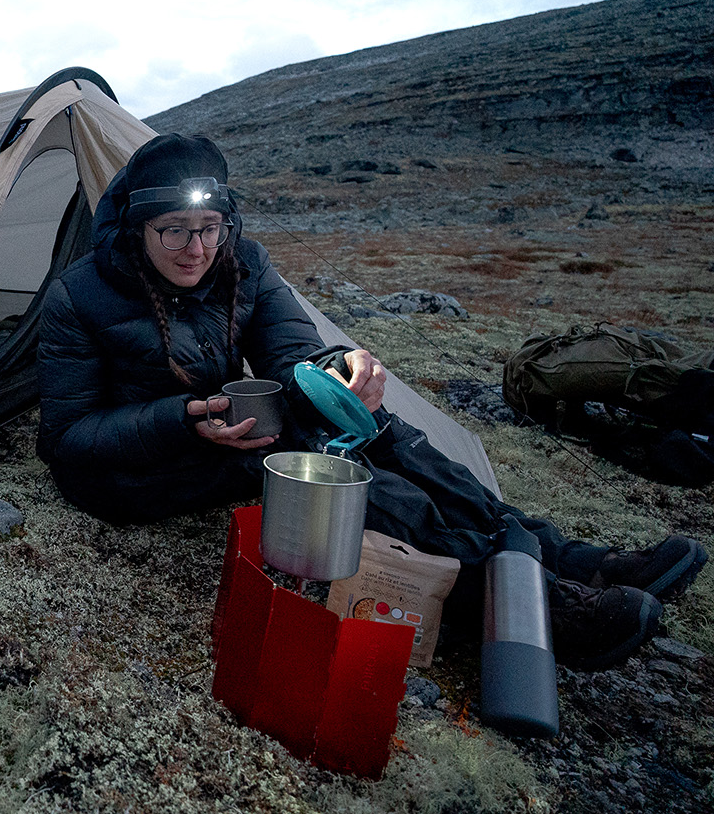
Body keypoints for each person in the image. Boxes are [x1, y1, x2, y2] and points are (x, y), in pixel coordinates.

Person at [36, 133, 707, 671]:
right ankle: (528, 606)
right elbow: (66, 437)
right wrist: (180, 421)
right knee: (329, 475)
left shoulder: (243, 262)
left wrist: (342, 369)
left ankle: (564, 555)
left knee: (373, 426)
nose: (197, 249)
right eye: (174, 232)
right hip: (128, 469)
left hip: (222, 425)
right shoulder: (79, 296)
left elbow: (292, 352)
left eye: (209, 227)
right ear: (137, 229)